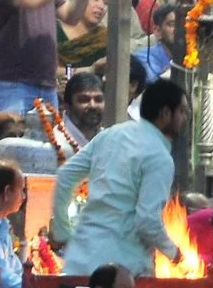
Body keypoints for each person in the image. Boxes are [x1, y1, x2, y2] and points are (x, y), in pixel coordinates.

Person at [54, 79, 190, 275]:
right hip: (120, 271)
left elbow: (65, 175)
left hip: (81, 259)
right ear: (166, 114)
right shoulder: (159, 157)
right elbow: (147, 221)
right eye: (182, 112)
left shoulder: (111, 134)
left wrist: (62, 230)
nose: (184, 119)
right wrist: (175, 254)